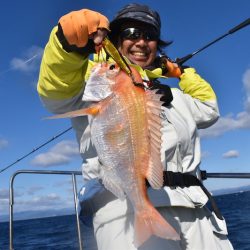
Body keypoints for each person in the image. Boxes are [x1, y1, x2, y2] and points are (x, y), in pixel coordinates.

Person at [37, 3, 234, 250]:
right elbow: (56, 93)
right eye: (131, 33)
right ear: (117, 41)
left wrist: (182, 74)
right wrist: (65, 47)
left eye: (149, 36)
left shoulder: (171, 94)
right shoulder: (92, 80)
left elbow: (209, 109)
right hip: (123, 211)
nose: (141, 41)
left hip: (196, 209)